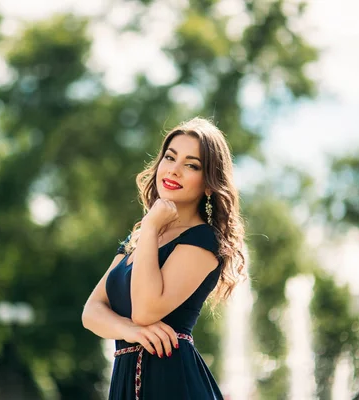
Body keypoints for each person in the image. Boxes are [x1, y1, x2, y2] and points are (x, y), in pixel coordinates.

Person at [82, 117, 247, 399]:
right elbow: (91, 312)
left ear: (209, 184)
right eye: (170, 157)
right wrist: (129, 331)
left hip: (171, 381)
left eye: (191, 165)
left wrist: (150, 226)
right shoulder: (139, 238)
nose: (174, 170)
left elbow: (146, 310)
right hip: (127, 379)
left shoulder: (203, 240)